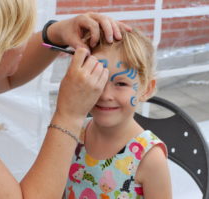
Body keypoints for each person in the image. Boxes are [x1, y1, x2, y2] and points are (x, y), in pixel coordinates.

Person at [0, 0, 132, 198]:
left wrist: (54, 34)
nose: (26, 43)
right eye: (19, 36)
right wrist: (69, 114)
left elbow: (6, 77)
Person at [64, 29, 172, 199]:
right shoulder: (74, 132)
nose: (106, 95)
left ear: (146, 89)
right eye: (98, 79)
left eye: (121, 83)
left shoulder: (150, 158)